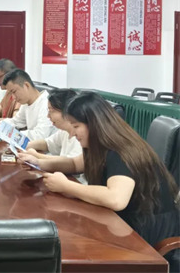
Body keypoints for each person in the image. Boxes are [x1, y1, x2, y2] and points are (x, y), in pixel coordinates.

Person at [18, 92, 179, 270]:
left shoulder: (120, 150)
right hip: (123, 223)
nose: (72, 133)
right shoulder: (99, 145)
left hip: (146, 234)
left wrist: (67, 186)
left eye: (76, 126)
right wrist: (39, 163)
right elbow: (74, 164)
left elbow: (116, 199)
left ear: (94, 124)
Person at [25, 88, 82, 159]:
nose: (48, 116)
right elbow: (47, 143)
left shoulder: (81, 136)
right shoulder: (64, 131)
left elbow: (70, 162)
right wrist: (25, 145)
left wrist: (36, 155)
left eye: (51, 111)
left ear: (67, 110)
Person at [0, 69, 54, 140]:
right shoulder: (26, 103)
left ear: (26, 85)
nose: (13, 97)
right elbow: (16, 121)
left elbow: (40, 135)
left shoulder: (47, 104)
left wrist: (14, 134)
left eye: (14, 92)